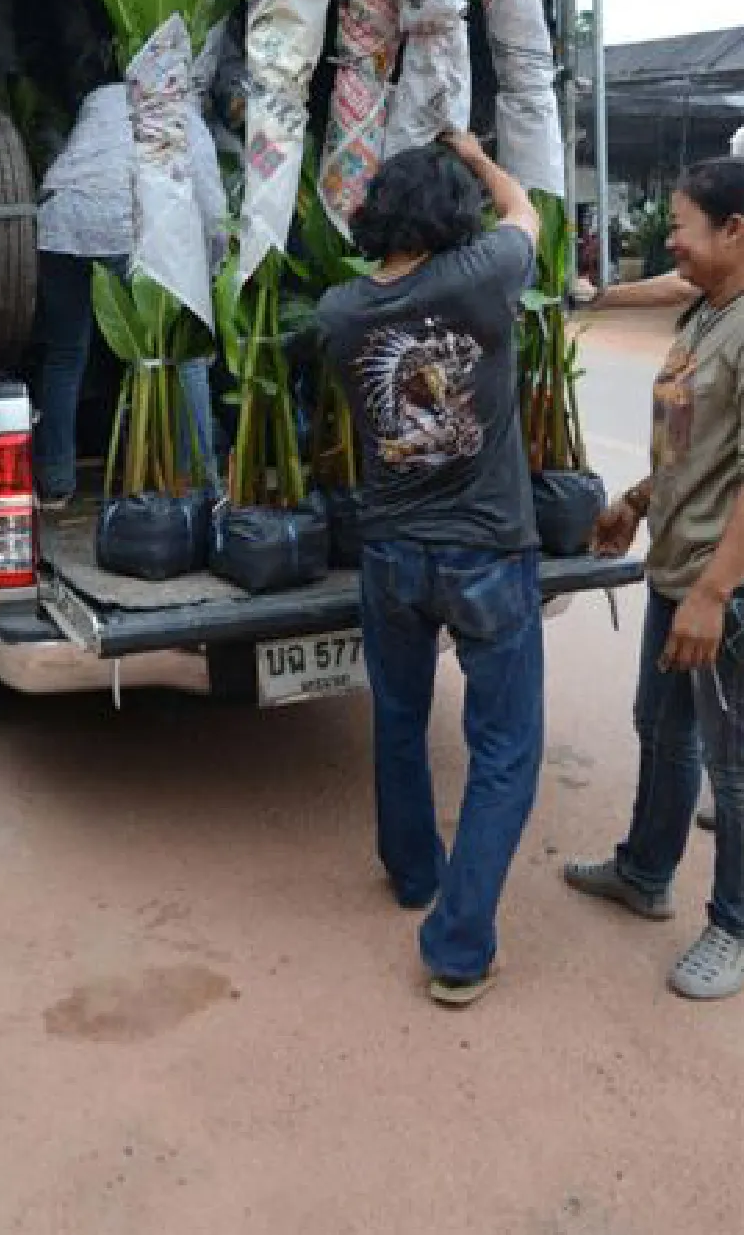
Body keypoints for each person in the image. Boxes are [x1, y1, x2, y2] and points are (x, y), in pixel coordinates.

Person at [318, 130, 541, 1008]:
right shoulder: (484, 273)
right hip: (485, 546)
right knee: (505, 748)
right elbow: (525, 210)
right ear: (453, 213)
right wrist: (481, 155)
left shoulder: (339, 311)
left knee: (401, 719)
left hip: (391, 552)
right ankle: (456, 945)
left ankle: (414, 872)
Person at [564, 158, 744, 1000]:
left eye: (680, 224)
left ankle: (735, 925)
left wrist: (712, 593)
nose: (668, 240)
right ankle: (644, 871)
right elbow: (691, 445)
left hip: (724, 586)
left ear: (734, 229)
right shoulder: (708, 310)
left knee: (731, 761)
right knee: (661, 727)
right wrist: (636, 499)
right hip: (677, 563)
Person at [32, 76, 224, 509]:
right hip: (122, 222)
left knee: (65, 352)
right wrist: (208, 273)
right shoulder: (181, 108)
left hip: (61, 221)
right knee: (184, 354)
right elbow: (212, 208)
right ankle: (198, 484)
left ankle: (56, 483)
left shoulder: (98, 95)